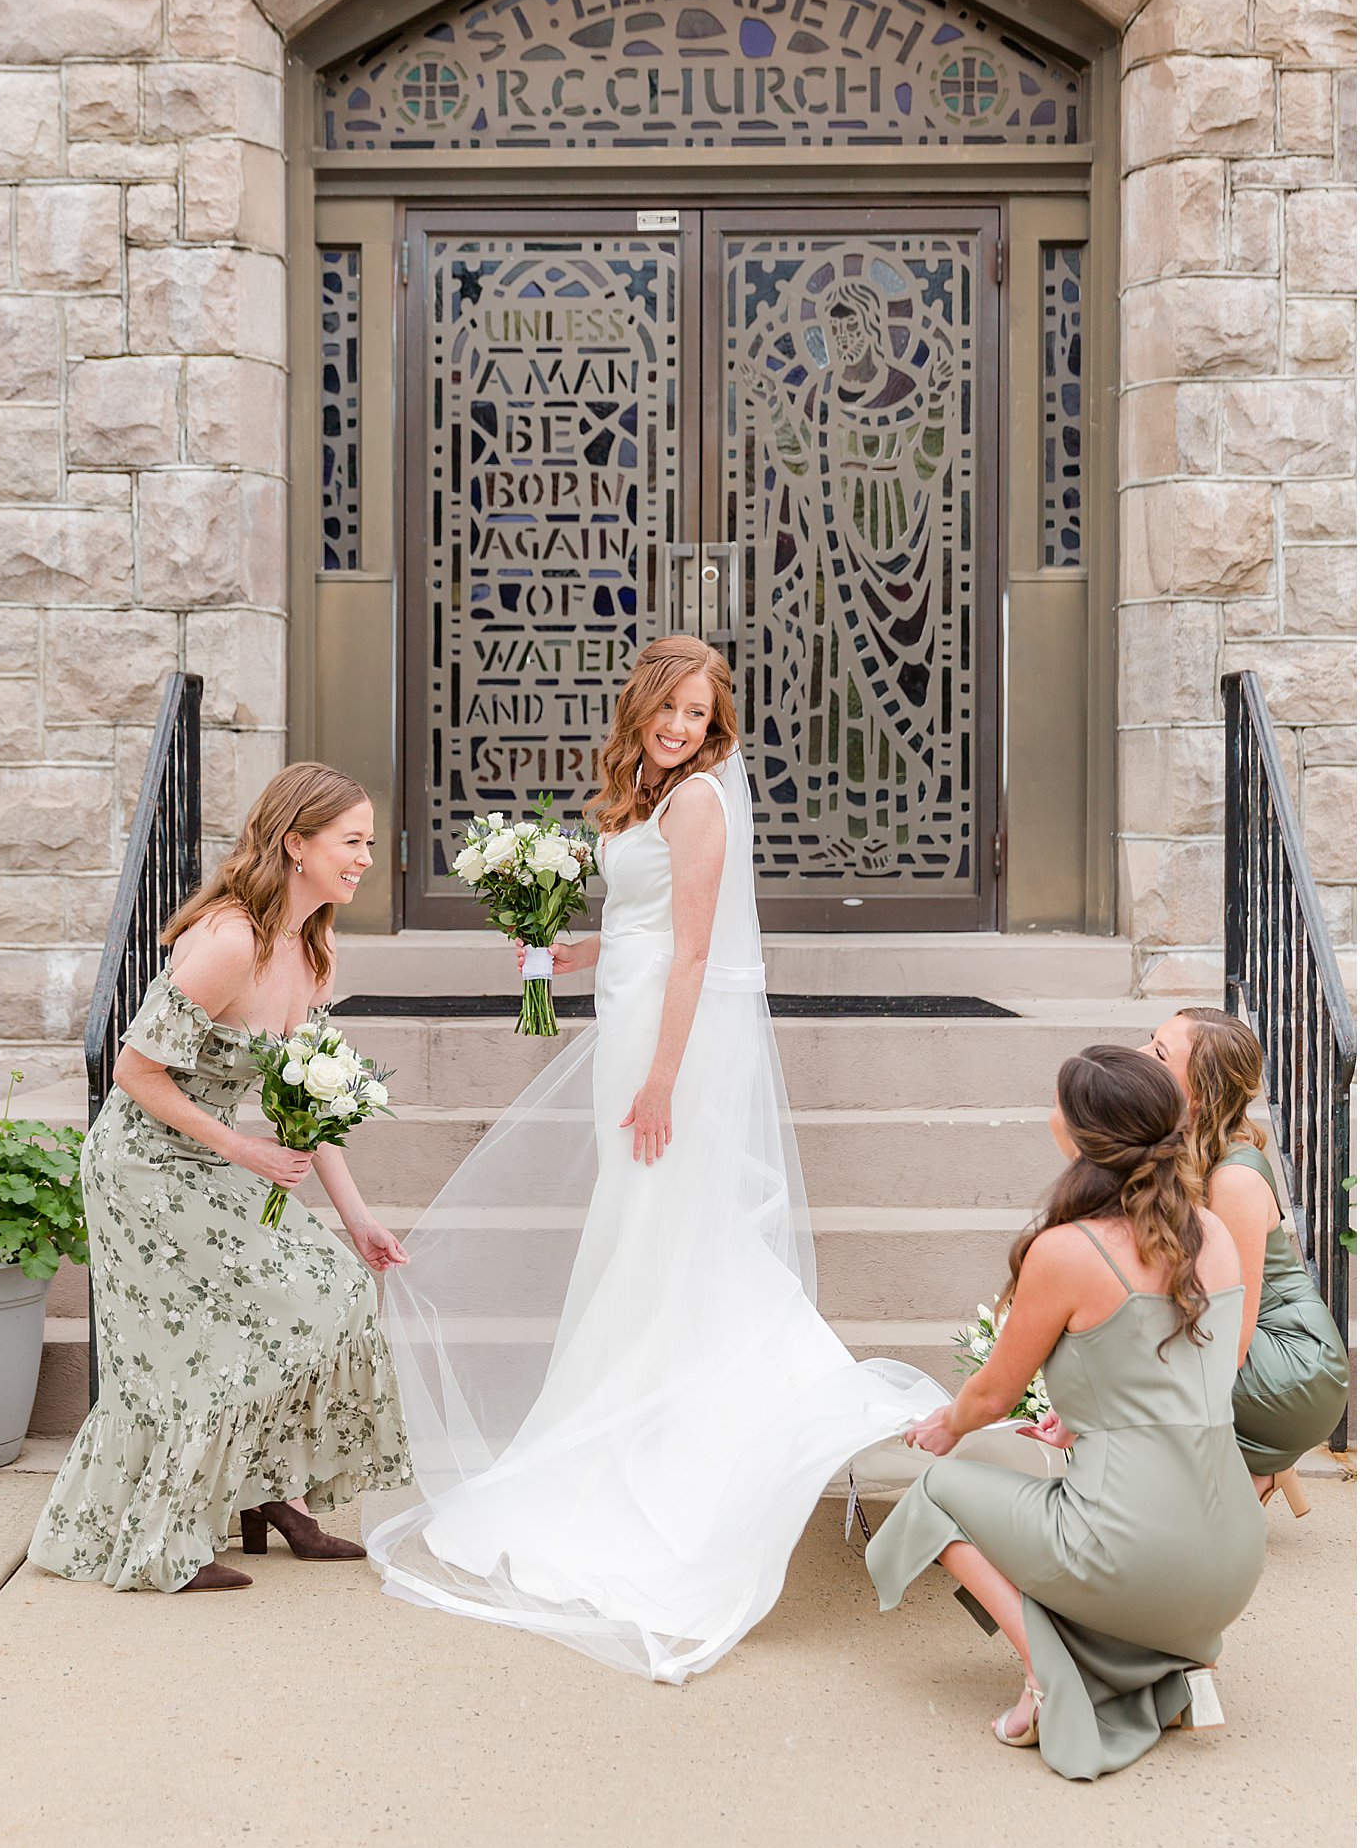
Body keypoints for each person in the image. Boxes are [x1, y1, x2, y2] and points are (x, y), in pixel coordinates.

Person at [365, 636, 944, 1681]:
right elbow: (639, 925)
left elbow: (694, 951)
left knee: (666, 1229)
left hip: (661, 1043)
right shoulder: (643, 791)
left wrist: (662, 1081)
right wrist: (558, 951)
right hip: (626, 1016)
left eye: (697, 714)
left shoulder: (697, 802)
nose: (680, 728)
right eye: (667, 709)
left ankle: (749, 1414)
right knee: (645, 1230)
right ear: (638, 710)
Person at [29, 764, 413, 1595]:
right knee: (187, 1349)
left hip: (208, 1154)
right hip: (141, 1163)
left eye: (369, 843)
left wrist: (358, 1220)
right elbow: (133, 1071)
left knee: (335, 1285)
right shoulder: (232, 938)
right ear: (295, 843)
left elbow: (303, 1102)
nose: (365, 860)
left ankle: (277, 1493)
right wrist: (243, 1153)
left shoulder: (314, 947)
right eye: (351, 842)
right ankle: (165, 1535)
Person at [865, 1047, 1265, 1781]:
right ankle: (1156, 1663)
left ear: (1081, 1134)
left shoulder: (1066, 1249)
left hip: (1131, 1547)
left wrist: (942, 1429)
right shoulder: (1211, 1232)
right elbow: (1196, 1368)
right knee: (1086, 1525)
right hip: (1234, 1554)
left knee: (935, 1496)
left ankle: (1047, 1674)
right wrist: (1085, 1416)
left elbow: (988, 1395)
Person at [1145, 1008, 1349, 1514]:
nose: (1139, 1056)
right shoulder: (1185, 1151)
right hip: (1259, 1348)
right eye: (1151, 1042)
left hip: (1295, 1366)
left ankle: (1249, 1462)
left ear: (1199, 1091)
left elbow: (1229, 1335)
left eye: (1158, 1054)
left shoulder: (1232, 1179)